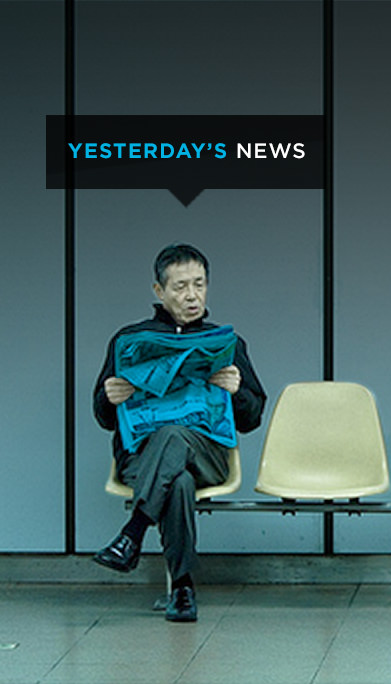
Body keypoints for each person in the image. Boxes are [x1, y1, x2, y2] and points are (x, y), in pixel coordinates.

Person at [92, 243, 266, 622]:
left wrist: (237, 393)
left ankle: (133, 533)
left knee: (174, 436)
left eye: (199, 285)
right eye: (181, 286)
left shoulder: (225, 343)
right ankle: (183, 589)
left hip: (206, 454)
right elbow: (104, 416)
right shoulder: (131, 341)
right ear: (159, 291)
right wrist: (110, 396)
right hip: (142, 457)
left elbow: (252, 418)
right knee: (179, 482)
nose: (192, 295)